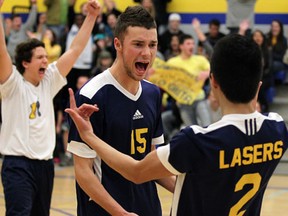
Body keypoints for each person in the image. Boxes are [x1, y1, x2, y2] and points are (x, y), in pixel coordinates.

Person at [66, 33, 288, 216]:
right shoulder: (277, 130)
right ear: (258, 86)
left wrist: (90, 136)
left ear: (213, 83)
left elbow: (136, 171)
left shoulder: (199, 140)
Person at [67, 5, 174, 216]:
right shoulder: (92, 94)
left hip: (147, 208)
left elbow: (152, 163)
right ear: (118, 44)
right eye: (138, 44)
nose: (147, 53)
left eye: (152, 45)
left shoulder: (152, 93)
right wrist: (120, 213)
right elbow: (83, 171)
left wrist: (189, 190)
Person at [0, 0, 100, 215]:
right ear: (25, 63)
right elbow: (1, 51)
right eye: (40, 57)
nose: (46, 60)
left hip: (45, 167)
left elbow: (74, 49)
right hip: (18, 165)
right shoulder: (12, 83)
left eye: (46, 56)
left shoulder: (48, 81)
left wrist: (91, 17)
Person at [167, 34, 211, 127]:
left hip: (199, 98)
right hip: (183, 101)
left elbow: (213, 69)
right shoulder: (172, 62)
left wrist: (206, 73)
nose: (191, 46)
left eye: (193, 43)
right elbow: (163, 77)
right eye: (188, 43)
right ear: (181, 46)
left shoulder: (200, 59)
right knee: (191, 129)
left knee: (207, 126)